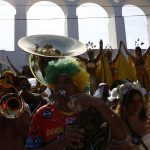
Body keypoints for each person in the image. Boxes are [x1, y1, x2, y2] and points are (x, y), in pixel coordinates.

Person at [25, 57, 128, 150]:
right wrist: (60, 142)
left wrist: (98, 103)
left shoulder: (91, 109)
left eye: (67, 81)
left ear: (77, 85)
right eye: (57, 82)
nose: (61, 86)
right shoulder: (42, 114)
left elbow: (123, 136)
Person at [109, 81, 150, 149]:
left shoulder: (148, 118)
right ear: (124, 104)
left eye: (139, 100)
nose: (136, 104)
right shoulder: (118, 124)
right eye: (131, 101)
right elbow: (107, 146)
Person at [0, 72, 31, 150]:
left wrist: (14, 114)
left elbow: (24, 131)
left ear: (14, 91)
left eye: (8, 90)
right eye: (1, 90)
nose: (4, 93)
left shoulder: (22, 106)